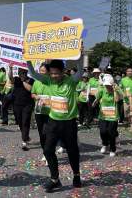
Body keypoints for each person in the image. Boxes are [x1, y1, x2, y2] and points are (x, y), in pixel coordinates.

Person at [28, 57, 83, 192]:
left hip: (69, 123)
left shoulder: (71, 81)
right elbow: (33, 74)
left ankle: (76, 175)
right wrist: (27, 59)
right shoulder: (48, 81)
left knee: (72, 151)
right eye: (51, 73)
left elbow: (80, 71)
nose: (54, 76)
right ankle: (55, 179)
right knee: (47, 150)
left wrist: (80, 55)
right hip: (53, 122)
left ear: (63, 71)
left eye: (56, 73)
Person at [93, 75, 122, 157]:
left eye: (109, 85)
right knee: (103, 132)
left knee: (111, 133)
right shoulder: (102, 89)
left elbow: (117, 99)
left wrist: (115, 90)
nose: (107, 86)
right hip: (103, 115)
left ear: (112, 84)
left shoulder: (117, 90)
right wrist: (95, 102)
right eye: (106, 85)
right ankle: (105, 144)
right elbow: (97, 98)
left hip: (113, 116)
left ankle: (113, 149)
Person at [8, 66, 34, 151]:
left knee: (25, 121)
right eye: (20, 72)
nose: (22, 74)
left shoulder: (31, 80)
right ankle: (26, 136)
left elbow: (30, 89)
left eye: (23, 72)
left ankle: (24, 141)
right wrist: (10, 69)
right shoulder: (16, 79)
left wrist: (23, 81)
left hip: (27, 104)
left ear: (26, 73)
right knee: (19, 122)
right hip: (16, 104)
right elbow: (10, 78)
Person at [31, 63, 50, 163]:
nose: (41, 73)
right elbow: (33, 93)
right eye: (40, 71)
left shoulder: (51, 82)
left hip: (50, 112)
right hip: (38, 111)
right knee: (41, 134)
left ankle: (49, 153)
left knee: (47, 133)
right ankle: (45, 152)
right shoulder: (36, 82)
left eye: (43, 71)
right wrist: (36, 97)